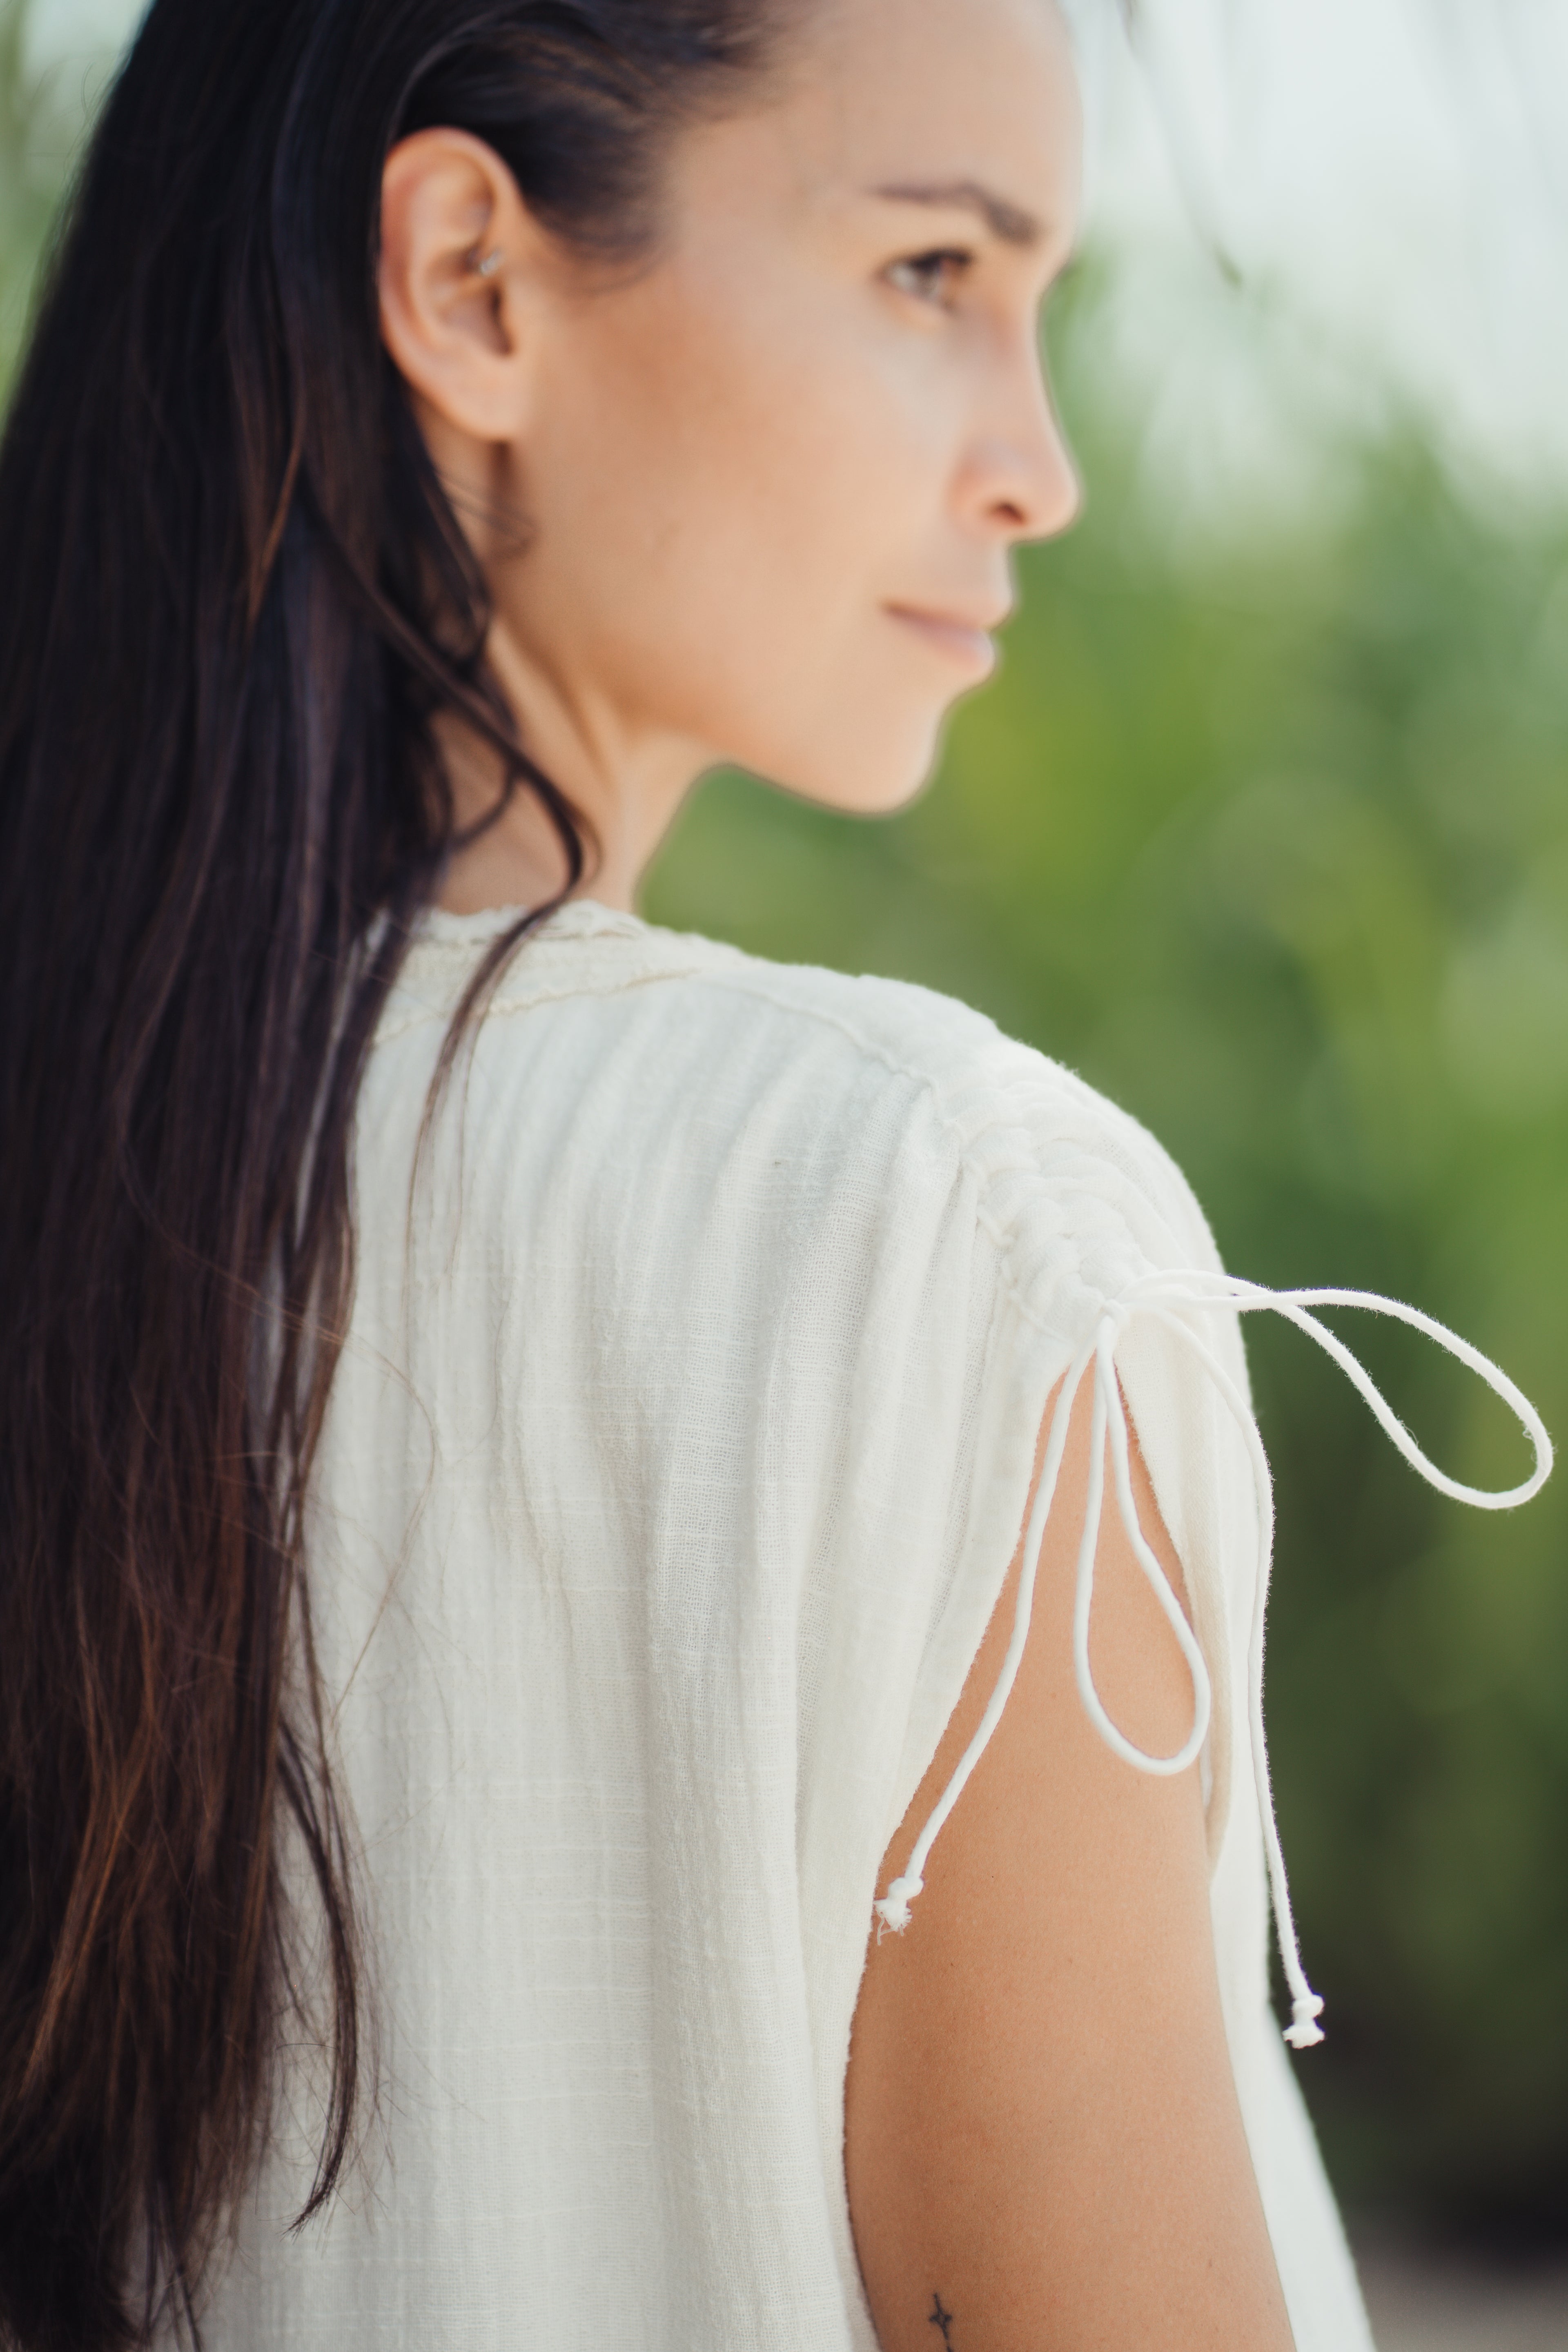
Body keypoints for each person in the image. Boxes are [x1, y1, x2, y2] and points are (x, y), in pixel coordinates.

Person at [0, 0, 1549, 2346]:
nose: (1043, 470)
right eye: (934, 273)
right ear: (473, 287)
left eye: (1045, 314)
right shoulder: (949, 1235)